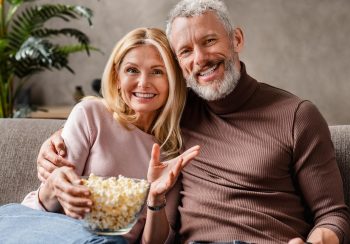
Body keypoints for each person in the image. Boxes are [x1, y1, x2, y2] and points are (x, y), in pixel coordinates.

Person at [37, 0, 350, 243]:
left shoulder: (297, 115)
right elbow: (123, 112)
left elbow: (333, 214)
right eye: (185, 51)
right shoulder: (178, 113)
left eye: (210, 41)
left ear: (236, 39)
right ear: (179, 66)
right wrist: (58, 140)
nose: (200, 59)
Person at [0, 27, 199, 244]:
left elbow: (151, 243)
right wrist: (54, 186)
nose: (143, 82)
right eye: (132, 70)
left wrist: (155, 198)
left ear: (173, 80)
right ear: (117, 77)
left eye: (157, 71)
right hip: (42, 230)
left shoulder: (173, 149)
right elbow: (47, 204)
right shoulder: (91, 115)